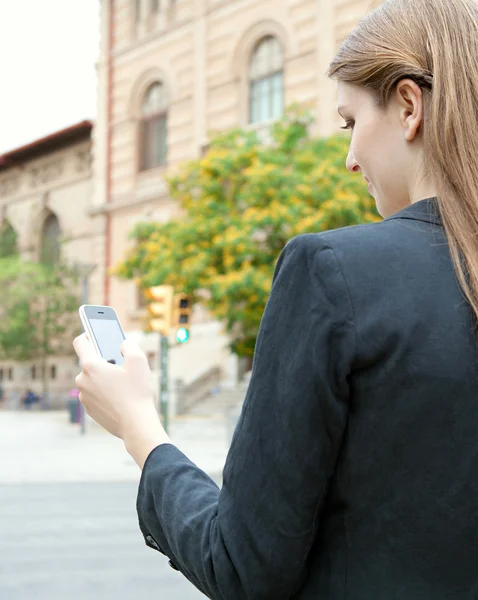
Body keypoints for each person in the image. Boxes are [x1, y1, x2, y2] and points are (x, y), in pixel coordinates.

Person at [73, 0, 478, 597]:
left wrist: (139, 425)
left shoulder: (333, 272)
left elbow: (241, 566)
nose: (349, 159)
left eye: (349, 122)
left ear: (408, 106)